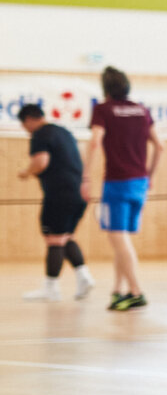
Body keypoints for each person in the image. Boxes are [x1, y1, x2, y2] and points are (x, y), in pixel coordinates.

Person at [81, 66, 162, 310]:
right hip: (140, 183)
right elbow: (160, 146)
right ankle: (117, 291)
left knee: (118, 238)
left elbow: (95, 142)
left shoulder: (103, 109)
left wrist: (86, 177)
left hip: (117, 183)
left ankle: (136, 292)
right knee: (121, 239)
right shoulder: (142, 110)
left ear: (105, 88)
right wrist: (150, 175)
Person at [16, 104, 93, 302]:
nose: (25, 130)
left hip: (59, 195)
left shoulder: (40, 134)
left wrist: (26, 172)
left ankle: (51, 288)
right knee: (66, 237)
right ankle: (83, 276)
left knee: (54, 239)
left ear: (29, 119)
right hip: (77, 193)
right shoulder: (64, 132)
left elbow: (41, 162)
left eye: (24, 125)